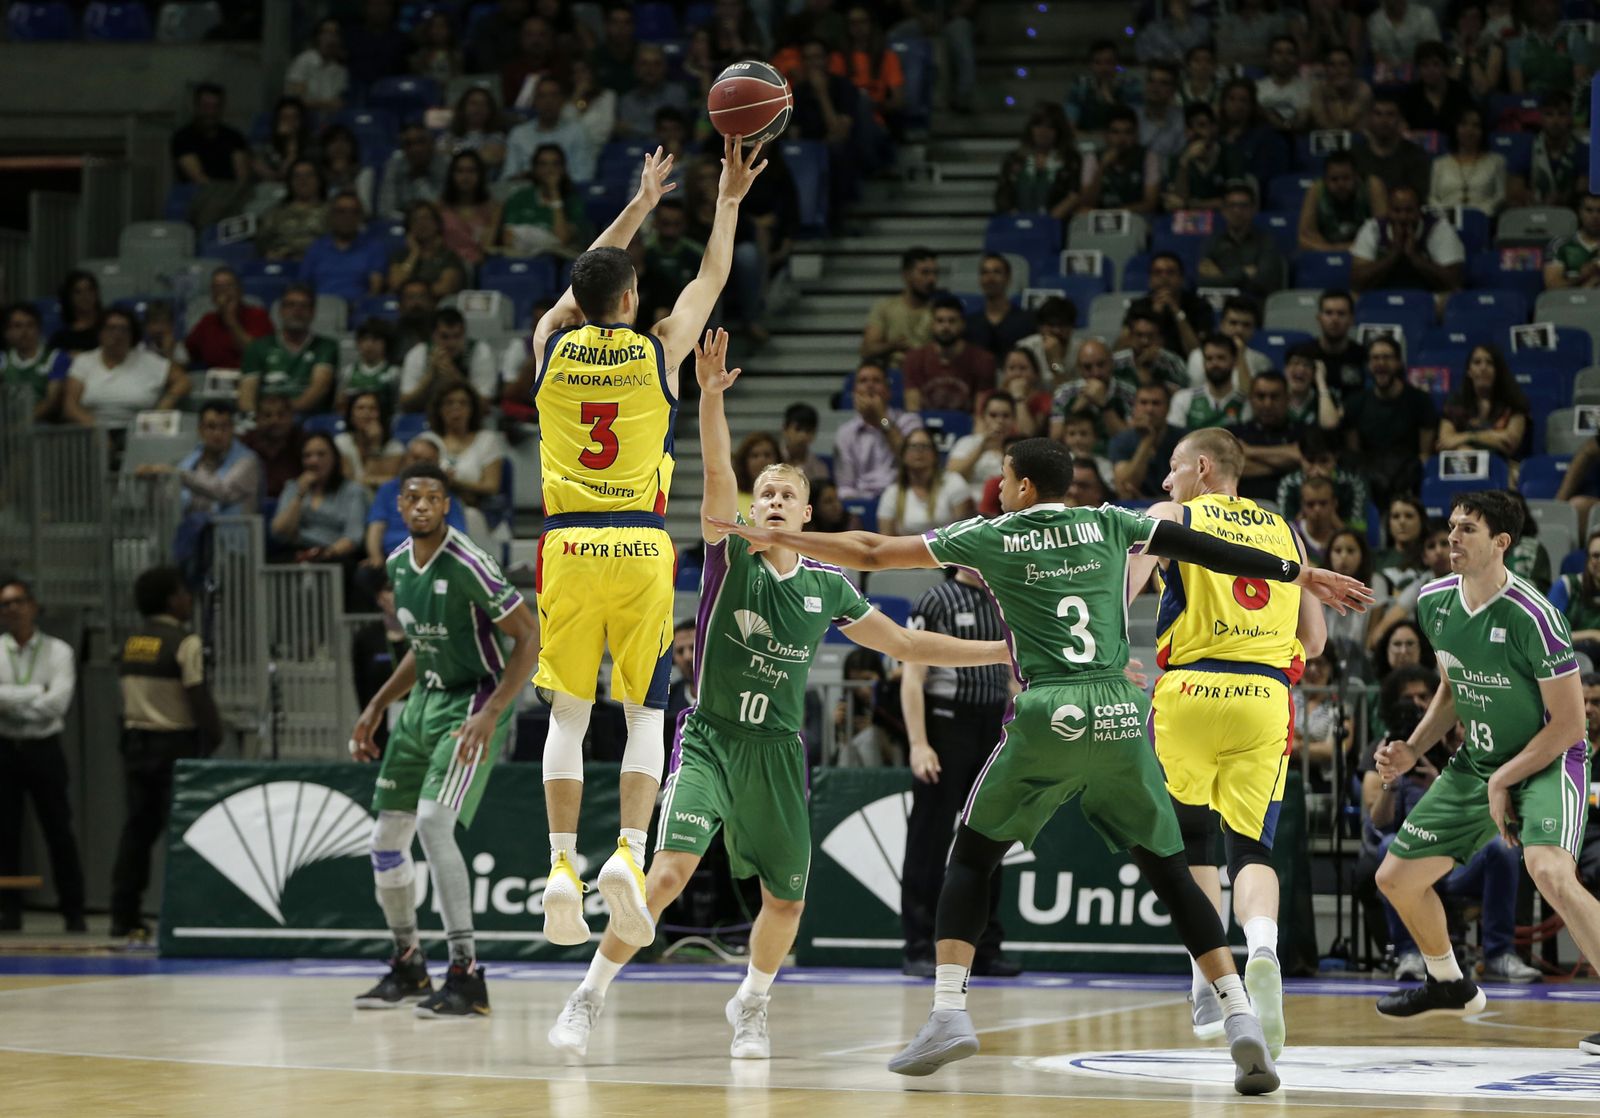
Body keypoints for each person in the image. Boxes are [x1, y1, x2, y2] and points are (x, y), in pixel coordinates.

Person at [711, 437, 1371, 1089]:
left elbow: (874, 551)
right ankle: (1235, 1014)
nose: (998, 489)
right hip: (1119, 709)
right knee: (1172, 873)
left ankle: (947, 1014)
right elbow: (1209, 551)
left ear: (1022, 487)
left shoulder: (993, 533)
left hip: (1049, 710)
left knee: (970, 856)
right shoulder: (1112, 522)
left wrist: (785, 540)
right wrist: (1300, 574)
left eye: (1002, 477)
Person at [547, 327, 1005, 1059]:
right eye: (765, 493)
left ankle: (751, 1005)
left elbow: (911, 646)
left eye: (786, 493)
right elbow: (719, 473)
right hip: (711, 739)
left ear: (807, 514)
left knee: (785, 899)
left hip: (777, 752)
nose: (772, 499)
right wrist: (709, 400)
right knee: (664, 876)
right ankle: (588, 995)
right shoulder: (731, 556)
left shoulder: (828, 585)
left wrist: (1005, 651)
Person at [529, 141, 766, 951]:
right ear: (633, 296)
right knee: (644, 713)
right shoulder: (662, 349)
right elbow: (712, 277)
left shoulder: (549, 342)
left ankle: (562, 866)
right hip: (639, 543)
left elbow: (587, 282)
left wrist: (636, 204)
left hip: (565, 543)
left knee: (568, 710)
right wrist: (726, 199)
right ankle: (628, 852)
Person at [1371, 492, 1599, 1056]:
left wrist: (1505, 780)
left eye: (1467, 529)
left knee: (1549, 871)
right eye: (1450, 526)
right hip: (1479, 763)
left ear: (1501, 543)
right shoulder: (1434, 602)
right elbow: (1451, 688)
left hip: (1548, 760)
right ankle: (1448, 980)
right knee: (1395, 879)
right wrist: (1412, 748)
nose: (1452, 537)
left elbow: (1570, 723)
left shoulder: (1536, 616)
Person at [1125, 427, 1327, 1056]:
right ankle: (1263, 950)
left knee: (1187, 839)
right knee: (1252, 846)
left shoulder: (1172, 516)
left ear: (1203, 468)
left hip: (1190, 688)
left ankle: (1207, 980)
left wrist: (1111, 656)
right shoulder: (1286, 532)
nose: (1165, 480)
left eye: (1173, 466)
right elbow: (1315, 641)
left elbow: (1118, 595)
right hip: (1266, 696)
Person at [348, 462, 539, 1017]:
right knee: (386, 842)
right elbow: (420, 648)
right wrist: (378, 705)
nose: (423, 506)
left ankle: (467, 974)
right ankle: (408, 962)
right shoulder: (398, 564)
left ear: (446, 506)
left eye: (433, 497)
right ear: (399, 507)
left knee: (434, 823)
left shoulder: (470, 564)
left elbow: (527, 637)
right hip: (422, 704)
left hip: (472, 700)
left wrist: (495, 710)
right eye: (412, 498)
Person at [900, 567, 1018, 978]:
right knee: (929, 841)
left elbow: (1014, 678)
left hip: (993, 725)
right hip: (945, 724)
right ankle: (918, 947)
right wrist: (919, 743)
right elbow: (912, 676)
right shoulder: (936, 600)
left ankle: (985, 948)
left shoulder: (1004, 598)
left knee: (990, 838)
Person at [111, 566, 221, 937]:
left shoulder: (132, 641)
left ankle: (122, 916)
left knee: (136, 834)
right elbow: (197, 695)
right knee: (183, 832)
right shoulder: (185, 642)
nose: (189, 599)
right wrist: (214, 734)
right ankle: (185, 917)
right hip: (174, 746)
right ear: (171, 599)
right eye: (183, 593)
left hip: (135, 744)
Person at [0, 576, 85, 933]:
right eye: (5, 604)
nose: (12, 609)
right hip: (5, 749)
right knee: (5, 834)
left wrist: (9, 700)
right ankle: (8, 911)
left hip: (44, 748)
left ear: (33, 606)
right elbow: (44, 699)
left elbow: (58, 704)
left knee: (58, 830)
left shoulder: (58, 651)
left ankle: (73, 911)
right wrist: (36, 692)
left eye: (18, 601)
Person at [1344, 339, 1439, 504]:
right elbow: (1355, 454)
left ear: (1398, 363)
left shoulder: (1420, 401)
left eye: (1387, 357)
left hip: (1408, 478)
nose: (1381, 363)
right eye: (1375, 358)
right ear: (1368, 365)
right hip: (1370, 478)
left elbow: (1424, 454)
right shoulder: (1355, 403)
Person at [61, 311, 190, 432]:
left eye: (124, 329)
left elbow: (183, 381)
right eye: (111, 328)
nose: (118, 334)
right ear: (100, 332)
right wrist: (97, 430)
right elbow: (70, 407)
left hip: (139, 434)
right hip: (92, 433)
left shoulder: (148, 360)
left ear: (132, 334)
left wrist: (163, 407)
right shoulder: (84, 361)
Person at [136, 401, 261, 517]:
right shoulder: (190, 461)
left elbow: (224, 491)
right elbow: (170, 503)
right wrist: (154, 483)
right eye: (211, 427)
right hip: (195, 532)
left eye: (224, 427)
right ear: (200, 430)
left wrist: (181, 476)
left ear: (233, 429)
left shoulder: (247, 461)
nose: (218, 433)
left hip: (234, 535)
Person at [364, 438, 467, 564]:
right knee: (365, 575)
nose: (420, 465)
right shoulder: (388, 489)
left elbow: (458, 536)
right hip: (391, 558)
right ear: (405, 459)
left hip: (433, 560)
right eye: (416, 458)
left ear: (437, 464)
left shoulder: (445, 495)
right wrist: (376, 557)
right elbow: (376, 527)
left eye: (427, 461)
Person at [238, 285, 338, 415]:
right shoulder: (258, 347)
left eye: (304, 306)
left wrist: (283, 416)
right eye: (291, 305)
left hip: (309, 422)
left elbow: (319, 388)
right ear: (281, 310)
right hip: (264, 421)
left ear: (313, 312)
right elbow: (247, 394)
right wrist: (254, 419)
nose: (297, 311)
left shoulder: (326, 346)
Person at [270, 433, 368, 564]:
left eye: (321, 454)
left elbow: (353, 538)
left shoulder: (353, 491)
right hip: (298, 551)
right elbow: (279, 531)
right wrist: (300, 495)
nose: (313, 461)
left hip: (335, 554)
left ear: (334, 458)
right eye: (307, 456)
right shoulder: (293, 487)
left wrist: (323, 555)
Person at [1351, 184, 1466, 295]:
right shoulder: (1373, 228)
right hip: (1381, 296)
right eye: (1397, 211)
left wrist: (1415, 257)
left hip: (1429, 298)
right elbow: (1357, 282)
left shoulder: (1438, 228)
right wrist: (1393, 255)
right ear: (1387, 210)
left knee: (1451, 298)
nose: (1403, 217)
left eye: (1409, 210)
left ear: (1420, 211)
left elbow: (1454, 282)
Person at [835, 363, 924, 502]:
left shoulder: (909, 421)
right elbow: (845, 486)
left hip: (902, 499)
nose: (870, 386)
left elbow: (911, 460)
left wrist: (882, 418)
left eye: (876, 381)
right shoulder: (845, 433)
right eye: (863, 381)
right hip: (862, 500)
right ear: (854, 393)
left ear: (888, 392)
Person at [902, 296, 995, 414]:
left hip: (967, 428)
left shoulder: (983, 360)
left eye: (952, 321)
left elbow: (981, 413)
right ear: (932, 324)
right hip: (925, 428)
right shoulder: (914, 359)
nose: (945, 327)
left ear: (962, 324)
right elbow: (913, 411)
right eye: (940, 321)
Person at [993, 104, 1086, 220]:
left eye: (1050, 127)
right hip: (1017, 225)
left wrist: (1046, 222)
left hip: (1055, 225)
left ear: (1059, 131)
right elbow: (1003, 195)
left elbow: (1074, 195)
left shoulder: (1070, 159)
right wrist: (1018, 219)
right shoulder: (1014, 159)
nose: (1043, 131)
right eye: (1038, 125)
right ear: (1030, 128)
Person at [1437, 344, 1529, 461]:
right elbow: (1445, 442)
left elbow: (1509, 443)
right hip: (1463, 465)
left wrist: (1465, 439)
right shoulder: (1455, 401)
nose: (1483, 367)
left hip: (1501, 466)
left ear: (1498, 371)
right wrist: (1490, 437)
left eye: (1490, 363)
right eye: (1477, 362)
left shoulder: (1513, 402)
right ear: (1469, 371)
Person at [397, 308, 498, 414]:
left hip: (470, 417)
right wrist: (431, 375)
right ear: (434, 336)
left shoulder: (480, 352)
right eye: (445, 337)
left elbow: (484, 406)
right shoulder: (418, 353)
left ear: (464, 334)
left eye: (457, 336)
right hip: (427, 415)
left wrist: (455, 376)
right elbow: (405, 404)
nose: (452, 344)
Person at [876, 430, 974, 537]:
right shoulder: (892, 493)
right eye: (913, 446)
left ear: (935, 454)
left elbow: (965, 533)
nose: (919, 451)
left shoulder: (954, 482)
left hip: (947, 550)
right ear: (903, 455)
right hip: (907, 551)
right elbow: (885, 538)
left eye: (925, 446)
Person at [500, 145, 591, 260]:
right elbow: (508, 238)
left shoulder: (573, 201)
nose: (549, 170)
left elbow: (562, 238)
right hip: (522, 259)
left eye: (555, 164)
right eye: (543, 164)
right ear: (534, 168)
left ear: (563, 168)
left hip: (558, 260)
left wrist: (554, 193)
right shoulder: (520, 197)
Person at [1228, 370, 1305, 502]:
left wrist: (1248, 451)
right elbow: (1232, 469)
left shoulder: (1302, 432)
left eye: (1274, 397)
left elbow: (1302, 457)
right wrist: (1287, 465)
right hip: (1242, 509)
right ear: (1251, 398)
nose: (1267, 404)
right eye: (1261, 396)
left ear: (1288, 399)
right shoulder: (1234, 433)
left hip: (1290, 510)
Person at [506, 76, 598, 187]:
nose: (548, 101)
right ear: (535, 101)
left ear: (562, 100)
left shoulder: (578, 132)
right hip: (527, 196)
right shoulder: (518, 134)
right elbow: (509, 176)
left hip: (567, 193)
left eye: (554, 95)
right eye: (542, 96)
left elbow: (584, 176)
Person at [1199, 180, 1285, 297]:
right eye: (1232, 205)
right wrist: (1244, 272)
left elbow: (1264, 283)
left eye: (1243, 206)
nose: (1237, 211)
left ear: (1254, 209)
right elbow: (1201, 281)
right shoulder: (1212, 241)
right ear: (1223, 210)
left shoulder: (1266, 242)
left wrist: (1221, 275)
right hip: (1219, 302)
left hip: (1254, 305)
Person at [300, 192, 386, 303]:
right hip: (321, 309)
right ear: (332, 215)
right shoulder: (317, 247)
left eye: (353, 212)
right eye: (341, 211)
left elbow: (375, 290)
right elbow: (303, 286)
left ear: (360, 216)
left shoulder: (374, 247)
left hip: (357, 309)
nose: (347, 217)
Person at [1123, 252, 1213, 358]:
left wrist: (1177, 312)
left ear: (1181, 278)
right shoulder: (1138, 307)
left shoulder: (1199, 306)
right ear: (1150, 279)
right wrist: (1154, 316)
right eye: (1158, 272)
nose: (1164, 278)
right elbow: (1123, 348)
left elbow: (1197, 354)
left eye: (1170, 272)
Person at [183, 267, 272, 372]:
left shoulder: (258, 315)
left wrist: (231, 320)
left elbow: (256, 356)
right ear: (213, 295)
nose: (224, 292)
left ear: (240, 290)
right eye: (218, 287)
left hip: (250, 377)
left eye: (229, 286)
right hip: (217, 380)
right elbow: (188, 352)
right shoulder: (208, 321)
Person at [862, 247, 939, 368]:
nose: (932, 279)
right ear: (906, 275)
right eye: (925, 273)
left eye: (935, 273)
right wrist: (893, 346)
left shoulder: (940, 311)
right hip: (893, 377)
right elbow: (867, 350)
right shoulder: (885, 307)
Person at [1298, 151, 1387, 253]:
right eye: (1334, 179)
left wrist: (1349, 248)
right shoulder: (1316, 190)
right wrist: (1333, 249)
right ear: (1325, 180)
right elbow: (1304, 239)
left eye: (1346, 178)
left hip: (1366, 253)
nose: (1340, 185)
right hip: (1327, 253)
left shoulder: (1372, 186)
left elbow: (1382, 234)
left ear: (1356, 177)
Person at [1514, 91, 1591, 209]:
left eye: (1562, 114)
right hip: (1532, 213)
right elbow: (1514, 192)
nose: (1555, 121)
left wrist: (1563, 199)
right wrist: (1526, 197)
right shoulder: (1526, 149)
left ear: (1570, 117)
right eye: (1549, 114)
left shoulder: (1584, 152)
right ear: (1540, 117)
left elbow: (1583, 194)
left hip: (1570, 214)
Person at [1352, 96, 1432, 203]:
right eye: (1378, 114)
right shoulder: (1355, 155)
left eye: (1390, 114)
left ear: (1400, 119)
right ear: (1369, 118)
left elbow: (1419, 197)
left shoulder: (1415, 155)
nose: (1384, 121)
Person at [1428, 107, 1506, 217]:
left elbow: (1500, 196)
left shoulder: (1496, 161)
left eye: (1476, 126)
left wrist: (1479, 213)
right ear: (1455, 129)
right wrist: (1445, 214)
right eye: (1463, 125)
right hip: (1445, 221)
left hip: (1483, 219)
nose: (1469, 130)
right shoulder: (1439, 164)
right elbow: (1432, 198)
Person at [170, 81, 249, 190]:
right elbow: (197, 178)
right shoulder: (183, 137)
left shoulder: (234, 137)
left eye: (215, 107)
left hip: (230, 197)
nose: (210, 112)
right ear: (196, 106)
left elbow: (241, 176)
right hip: (193, 198)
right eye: (206, 106)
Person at [1081, 106, 1160, 214]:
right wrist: (1101, 168)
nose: (1122, 139)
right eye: (1115, 132)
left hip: (1136, 220)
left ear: (1136, 135)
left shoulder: (1148, 157)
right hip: (1100, 222)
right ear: (1106, 135)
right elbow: (1087, 203)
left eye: (1128, 132)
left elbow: (1150, 203)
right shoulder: (1093, 158)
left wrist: (1115, 215)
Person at [1112, 383, 1185, 500]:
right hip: (1134, 509)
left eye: (1156, 403)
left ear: (1168, 408)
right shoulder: (1122, 440)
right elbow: (1126, 486)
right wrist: (1147, 440)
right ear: (1135, 407)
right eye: (1143, 403)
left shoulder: (1184, 439)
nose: (1149, 409)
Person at [1162, 103, 1238, 213]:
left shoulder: (1230, 154)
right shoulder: (1177, 159)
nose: (1195, 131)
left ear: (1214, 127)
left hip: (1223, 219)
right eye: (1190, 127)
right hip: (1187, 222)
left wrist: (1188, 205)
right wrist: (1184, 163)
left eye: (1202, 125)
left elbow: (1234, 201)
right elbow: (1175, 202)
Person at [1, 302, 70, 422]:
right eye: (18, 326)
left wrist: (23, 423)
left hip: (45, 430)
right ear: (7, 333)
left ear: (39, 329)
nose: (25, 331)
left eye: (30, 325)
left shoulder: (56, 358)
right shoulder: (2, 360)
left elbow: (51, 401)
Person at [1508, 0, 1590, 98]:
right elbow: (1517, 94)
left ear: (1557, 6)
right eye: (1536, 4)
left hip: (1565, 105)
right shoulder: (1517, 45)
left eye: (1547, 2)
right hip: (1530, 107)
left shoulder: (1574, 39)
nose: (1542, 8)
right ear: (1530, 9)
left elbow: (1580, 87)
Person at [387, 201, 466, 298]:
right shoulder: (400, 256)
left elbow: (445, 288)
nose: (421, 224)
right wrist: (414, 254)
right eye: (415, 220)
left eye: (426, 218)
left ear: (437, 224)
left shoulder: (448, 256)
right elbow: (395, 284)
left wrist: (413, 294)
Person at [1171, 333, 1249, 432]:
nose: (1214, 363)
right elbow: (1175, 440)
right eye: (1209, 358)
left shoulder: (1243, 402)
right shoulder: (1183, 398)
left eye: (1221, 358)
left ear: (1234, 361)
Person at [256, 159, 329, 261]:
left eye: (309, 175)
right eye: (297, 176)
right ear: (290, 182)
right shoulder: (274, 214)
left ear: (319, 180)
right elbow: (262, 245)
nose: (303, 180)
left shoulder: (333, 212)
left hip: (321, 266)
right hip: (283, 266)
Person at [438, 151, 501, 269]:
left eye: (471, 171)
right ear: (451, 175)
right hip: (445, 266)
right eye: (459, 171)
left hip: (478, 267)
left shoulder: (493, 209)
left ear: (480, 175)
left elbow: (486, 247)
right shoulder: (439, 208)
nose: (465, 177)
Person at [1401, 40, 1476, 138]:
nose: (1430, 70)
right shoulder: (1411, 94)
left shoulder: (1460, 92)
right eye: (1424, 65)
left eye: (1436, 64)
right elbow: (1403, 127)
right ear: (1418, 69)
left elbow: (1470, 124)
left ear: (1446, 67)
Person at [1307, 289, 1368, 402]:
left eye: (1341, 313)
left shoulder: (1363, 356)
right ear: (1319, 318)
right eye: (1328, 313)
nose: (1334, 319)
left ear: (1351, 319)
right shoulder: (1306, 355)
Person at [378, 123, 447, 222]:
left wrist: (420, 180)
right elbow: (385, 211)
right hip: (401, 225)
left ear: (432, 144)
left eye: (421, 142)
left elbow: (441, 210)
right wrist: (413, 222)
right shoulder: (395, 164)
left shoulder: (444, 165)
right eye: (408, 144)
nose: (416, 149)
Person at [242, 392, 305, 500]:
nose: (274, 420)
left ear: (291, 417)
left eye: (281, 415)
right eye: (267, 415)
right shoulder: (244, 444)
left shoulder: (304, 443)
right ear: (257, 419)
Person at [1066, 39, 1135, 135]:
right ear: (1090, 65)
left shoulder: (1130, 86)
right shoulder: (1080, 86)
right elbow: (1069, 125)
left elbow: (1133, 125)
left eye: (1108, 62)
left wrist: (1110, 100)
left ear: (1117, 64)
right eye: (1098, 63)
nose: (1104, 68)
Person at [336, 391, 402, 490]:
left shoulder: (394, 447)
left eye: (372, 408)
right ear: (351, 415)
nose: (366, 413)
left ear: (381, 414)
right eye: (360, 408)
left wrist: (375, 445)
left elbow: (390, 485)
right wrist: (376, 480)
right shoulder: (341, 443)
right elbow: (346, 484)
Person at [1551, 531, 1600, 663]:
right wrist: (1592, 635)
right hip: (1570, 661)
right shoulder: (1566, 586)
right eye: (1596, 556)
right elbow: (1548, 636)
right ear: (1588, 559)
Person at [437, 87, 508, 176]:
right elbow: (439, 159)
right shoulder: (448, 136)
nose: (478, 108)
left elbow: (492, 157)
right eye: (473, 103)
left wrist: (454, 152)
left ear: (490, 110)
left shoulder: (498, 137)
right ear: (463, 107)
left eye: (484, 104)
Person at [948, 395, 1017, 484]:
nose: (1000, 420)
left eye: (1006, 416)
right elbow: (952, 474)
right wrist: (981, 449)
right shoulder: (967, 442)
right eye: (993, 415)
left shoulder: (1020, 447)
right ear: (983, 417)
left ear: (1014, 419)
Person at [338, 319, 400, 413]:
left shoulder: (394, 373)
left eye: (375, 340)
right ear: (358, 343)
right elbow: (339, 405)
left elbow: (399, 406)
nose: (369, 344)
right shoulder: (348, 372)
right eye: (365, 339)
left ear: (385, 344)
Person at [285, 18, 348, 111]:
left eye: (335, 33)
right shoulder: (304, 60)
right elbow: (296, 102)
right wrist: (327, 104)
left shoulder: (341, 69)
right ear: (317, 37)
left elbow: (339, 104)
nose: (331, 37)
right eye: (326, 32)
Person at [1543, 192, 1600, 291]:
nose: (1595, 216)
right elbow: (1552, 287)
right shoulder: (1560, 245)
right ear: (1580, 212)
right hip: (1568, 305)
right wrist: (1582, 277)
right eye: (1589, 210)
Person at [1309, 45, 1372, 132]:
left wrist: (1335, 95)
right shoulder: (1318, 90)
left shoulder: (1362, 89)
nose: (1337, 70)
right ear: (1325, 69)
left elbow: (1347, 120)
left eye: (1343, 65)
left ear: (1352, 67)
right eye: (1332, 65)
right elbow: (1322, 123)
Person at [1255, 36, 1310, 132]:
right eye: (1278, 53)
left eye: (1290, 53)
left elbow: (1302, 121)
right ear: (1269, 58)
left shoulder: (1308, 88)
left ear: (1297, 59)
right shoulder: (1256, 88)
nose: (1284, 58)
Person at [1368, 0, 1441, 69]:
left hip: (1421, 70)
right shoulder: (1374, 21)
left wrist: (1406, 67)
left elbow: (1433, 52)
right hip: (1388, 73)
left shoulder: (1424, 15)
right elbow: (1377, 54)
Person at [49, 270, 102, 357]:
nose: (85, 296)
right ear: (69, 297)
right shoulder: (60, 338)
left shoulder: (109, 328)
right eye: (78, 292)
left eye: (90, 290)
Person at [779, 402, 830, 485]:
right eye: (798, 429)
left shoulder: (819, 468)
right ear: (785, 429)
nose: (803, 436)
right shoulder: (771, 461)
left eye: (808, 431)